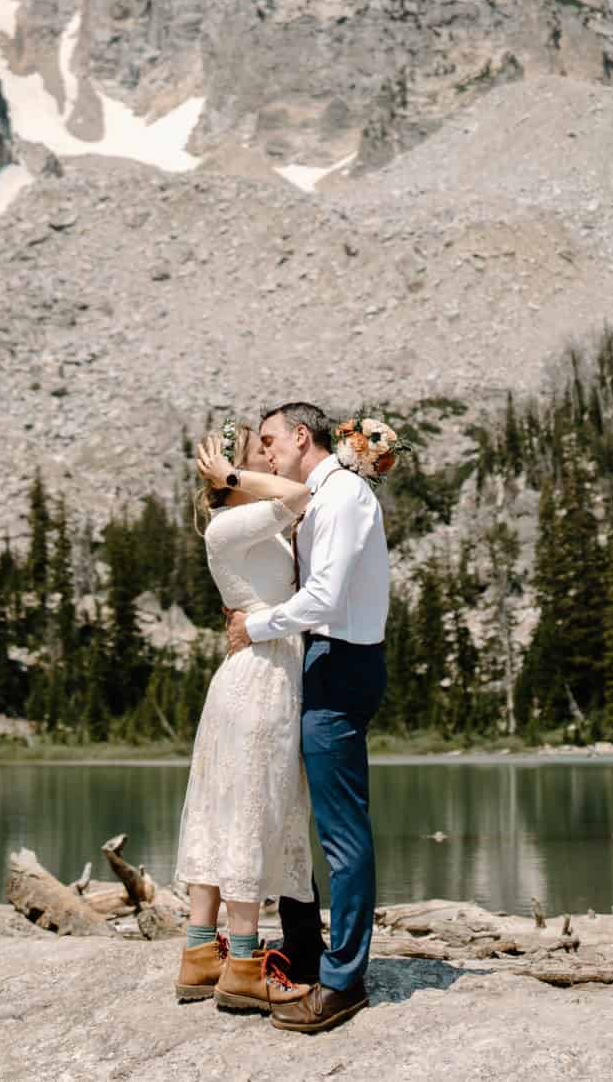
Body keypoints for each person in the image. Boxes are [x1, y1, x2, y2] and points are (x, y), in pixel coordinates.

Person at [200, 401, 394, 1036]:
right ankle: (308, 955)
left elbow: (325, 597)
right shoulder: (323, 494)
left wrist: (252, 626)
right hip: (323, 661)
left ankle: (345, 983)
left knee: (341, 830)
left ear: (300, 436)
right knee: (294, 812)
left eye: (273, 440)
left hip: (340, 665)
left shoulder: (339, 498)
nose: (268, 450)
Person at [169, 423, 316, 1014]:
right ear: (230, 472)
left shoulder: (246, 525)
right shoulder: (235, 520)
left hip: (252, 671)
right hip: (261, 677)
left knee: (221, 807)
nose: (273, 461)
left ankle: (201, 953)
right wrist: (232, 477)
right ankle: (247, 966)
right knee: (250, 808)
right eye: (261, 454)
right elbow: (303, 493)